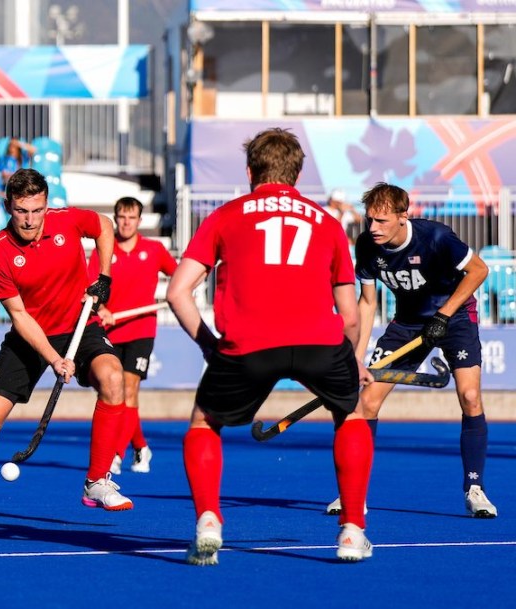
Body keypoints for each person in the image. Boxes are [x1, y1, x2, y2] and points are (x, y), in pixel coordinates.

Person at [165, 127, 373, 564]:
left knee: (204, 423)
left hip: (247, 345)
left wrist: (209, 345)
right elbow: (350, 315)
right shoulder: (328, 222)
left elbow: (177, 293)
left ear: (249, 171)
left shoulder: (224, 216)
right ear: (297, 174)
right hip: (320, 341)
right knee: (350, 413)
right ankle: (352, 530)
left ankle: (208, 520)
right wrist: (352, 360)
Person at [0, 168, 131, 525]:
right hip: (31, 335)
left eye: (37, 210)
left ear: (46, 205)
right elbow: (20, 317)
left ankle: (97, 481)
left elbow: (102, 225)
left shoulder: (66, 221)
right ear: (8, 206)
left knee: (113, 379)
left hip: (79, 325)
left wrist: (104, 277)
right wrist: (53, 359)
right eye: (22, 211)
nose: (30, 220)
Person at [324, 182, 496, 519]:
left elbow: (479, 270)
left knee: (470, 396)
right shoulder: (367, 246)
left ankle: (474, 489)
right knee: (367, 402)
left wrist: (444, 315)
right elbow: (368, 302)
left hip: (455, 317)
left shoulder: (436, 238)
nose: (373, 228)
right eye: (370, 220)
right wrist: (356, 358)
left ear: (404, 216)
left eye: (382, 221)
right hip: (407, 326)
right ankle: (352, 494)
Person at [87, 196, 178, 475]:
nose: (127, 223)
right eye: (122, 217)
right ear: (116, 219)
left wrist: (186, 289)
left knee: (129, 389)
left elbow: (180, 274)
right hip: (109, 329)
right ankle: (140, 445)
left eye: (132, 218)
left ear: (140, 220)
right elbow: (91, 286)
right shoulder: (103, 249)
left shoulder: (154, 249)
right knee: (113, 393)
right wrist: (101, 308)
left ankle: (116, 452)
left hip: (141, 329)